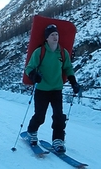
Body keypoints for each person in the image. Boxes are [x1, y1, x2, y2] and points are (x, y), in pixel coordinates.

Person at [25, 24, 80, 152]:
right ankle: (31, 132)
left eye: (56, 34)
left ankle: (58, 140)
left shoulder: (62, 52)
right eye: (52, 35)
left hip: (56, 89)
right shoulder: (40, 52)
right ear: (47, 38)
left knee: (59, 116)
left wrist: (73, 82)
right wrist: (34, 76)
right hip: (42, 89)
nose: (55, 37)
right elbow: (29, 68)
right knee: (40, 116)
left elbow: (68, 68)